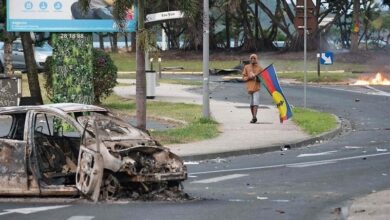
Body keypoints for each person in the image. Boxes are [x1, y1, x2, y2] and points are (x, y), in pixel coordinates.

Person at [242, 54, 263, 123]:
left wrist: (256, 77)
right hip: (249, 88)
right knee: (251, 104)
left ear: (256, 59)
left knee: (255, 103)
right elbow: (244, 78)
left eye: (254, 58)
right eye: (251, 58)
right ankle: (253, 117)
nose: (253, 60)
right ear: (250, 59)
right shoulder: (246, 67)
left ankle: (254, 117)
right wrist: (249, 77)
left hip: (257, 88)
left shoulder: (260, 68)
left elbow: (263, 79)